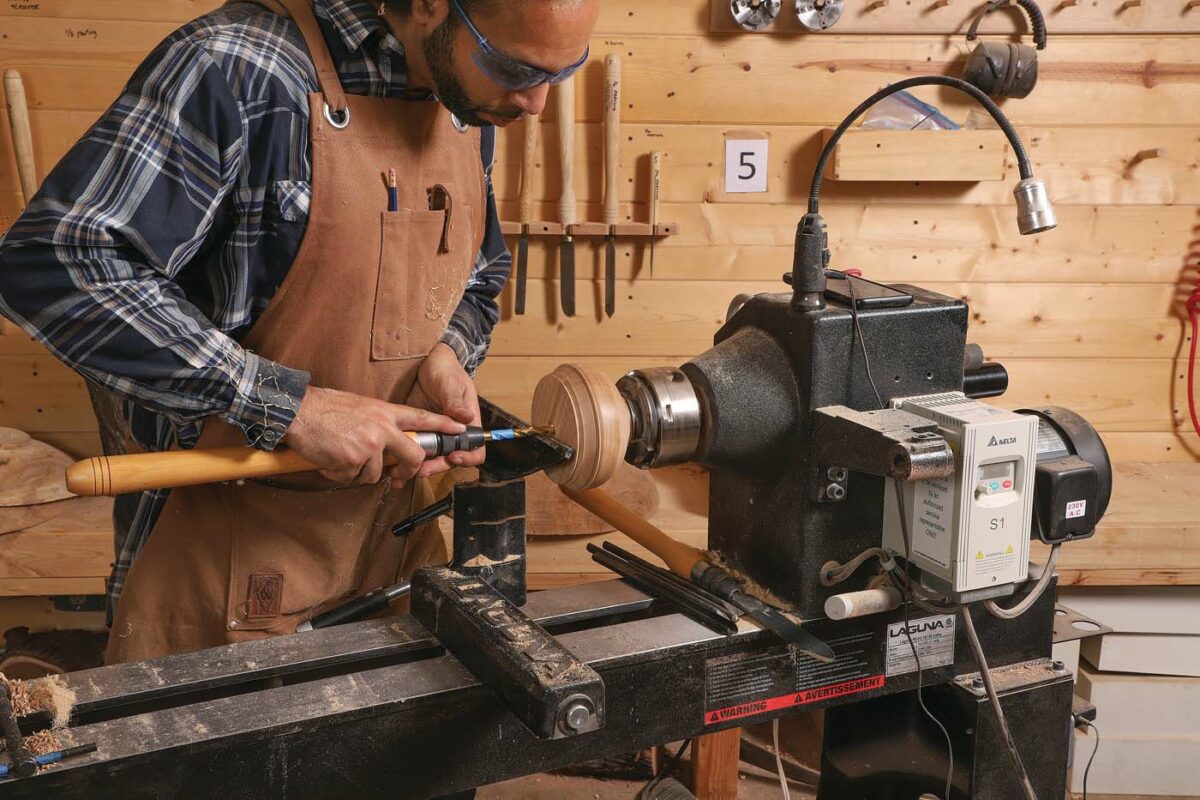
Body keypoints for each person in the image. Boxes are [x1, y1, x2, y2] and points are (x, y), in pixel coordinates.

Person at [0, 0, 599, 664]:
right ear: (431, 6)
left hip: (396, 548)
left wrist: (448, 354)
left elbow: (483, 272)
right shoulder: (237, 71)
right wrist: (289, 405)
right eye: (513, 65)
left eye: (562, 72)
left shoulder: (468, 102)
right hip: (227, 567)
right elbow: (55, 263)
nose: (538, 103)